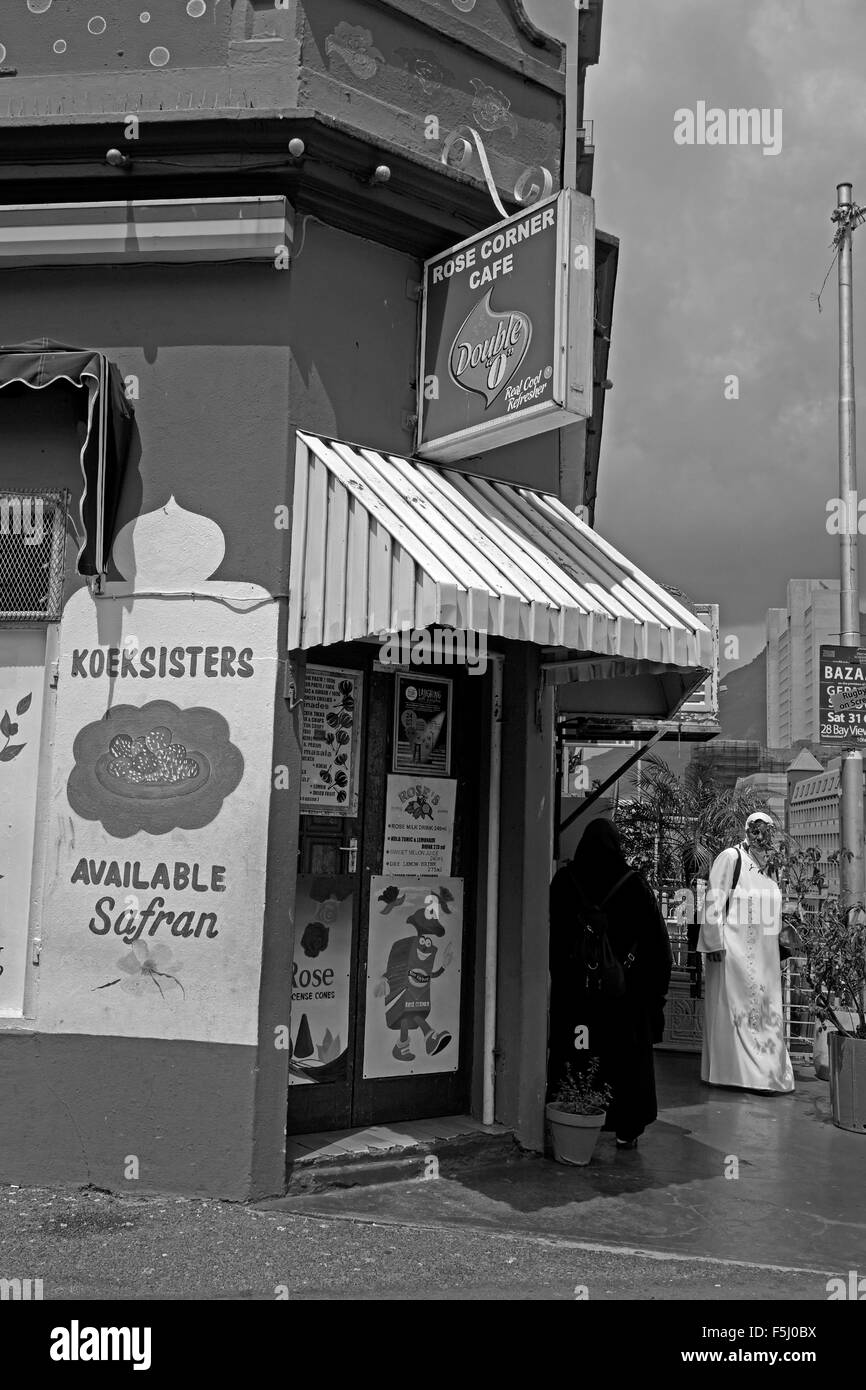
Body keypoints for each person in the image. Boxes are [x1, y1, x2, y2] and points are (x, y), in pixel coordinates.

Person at [548, 818, 673, 1149]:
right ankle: (625, 1128)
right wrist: (653, 997)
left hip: (576, 996)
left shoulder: (564, 881)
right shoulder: (634, 885)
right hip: (623, 997)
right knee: (625, 1062)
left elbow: (550, 939)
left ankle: (571, 1120)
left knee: (577, 1056)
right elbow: (657, 948)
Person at [698, 811, 794, 1094]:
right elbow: (714, 899)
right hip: (731, 953)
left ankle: (765, 1074)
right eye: (756, 829)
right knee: (732, 1011)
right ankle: (732, 1074)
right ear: (747, 830)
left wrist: (781, 950)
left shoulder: (768, 867)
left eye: (766, 830)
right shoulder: (731, 857)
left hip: (763, 958)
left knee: (763, 1013)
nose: (760, 835)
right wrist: (714, 942)